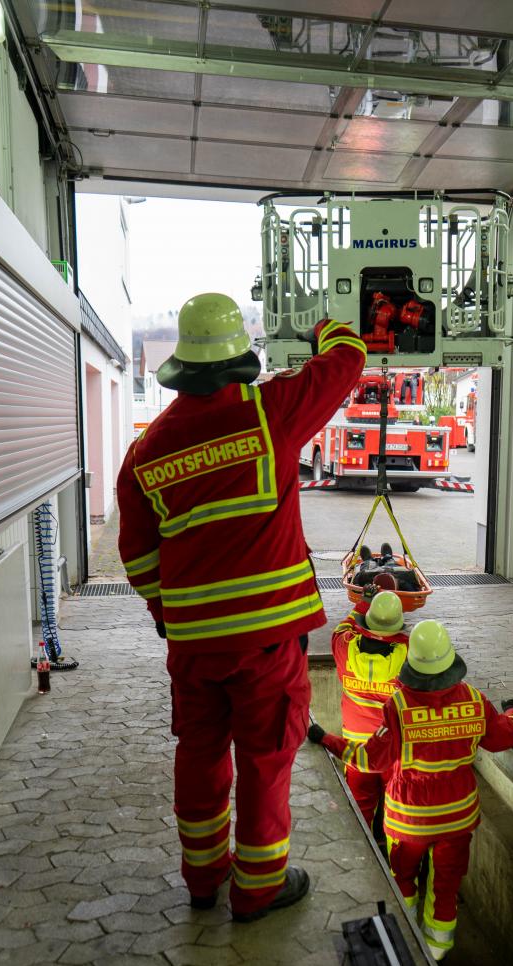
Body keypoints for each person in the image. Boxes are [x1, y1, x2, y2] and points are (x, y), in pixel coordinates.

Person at [117, 294, 366, 920]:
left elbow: (137, 555)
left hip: (195, 646)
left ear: (182, 363)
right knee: (265, 757)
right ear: (237, 361)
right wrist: (324, 323)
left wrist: (168, 616)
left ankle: (203, 882)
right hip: (268, 642)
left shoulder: (146, 452)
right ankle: (257, 889)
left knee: (199, 754)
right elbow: (348, 359)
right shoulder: (270, 413)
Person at [308, 620, 513, 961]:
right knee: (446, 885)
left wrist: (327, 739)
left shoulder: (398, 707)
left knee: (403, 877)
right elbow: (505, 736)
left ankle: (405, 941)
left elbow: (368, 759)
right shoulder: (473, 700)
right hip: (456, 820)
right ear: (450, 663)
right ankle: (438, 951)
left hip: (408, 820)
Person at [331, 587, 409, 830]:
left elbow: (343, 627)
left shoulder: (344, 647)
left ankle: (364, 854)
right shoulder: (407, 656)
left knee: (359, 807)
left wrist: (363, 603)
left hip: (357, 748)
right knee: (396, 807)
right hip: (392, 749)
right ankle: (390, 852)